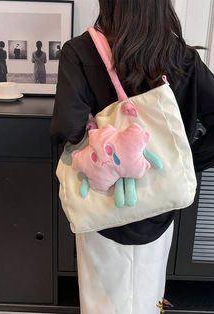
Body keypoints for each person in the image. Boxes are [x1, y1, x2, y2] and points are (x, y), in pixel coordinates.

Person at [50, 1, 214, 313]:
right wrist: (185, 160)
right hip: (159, 206)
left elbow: (66, 128)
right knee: (148, 293)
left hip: (104, 207)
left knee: (103, 299)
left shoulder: (81, 51)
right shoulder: (181, 56)